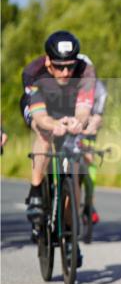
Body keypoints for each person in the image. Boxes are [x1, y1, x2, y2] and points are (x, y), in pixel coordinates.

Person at [21, 31, 100, 243]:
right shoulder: (34, 72)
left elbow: (83, 110)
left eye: (70, 67)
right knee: (44, 133)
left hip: (69, 105)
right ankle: (36, 191)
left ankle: (69, 229)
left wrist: (78, 122)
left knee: (75, 160)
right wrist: (53, 124)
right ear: (48, 61)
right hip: (41, 108)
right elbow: (40, 116)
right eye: (59, 67)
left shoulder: (85, 70)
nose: (65, 72)